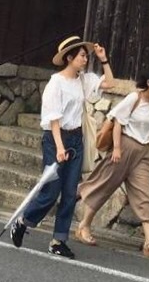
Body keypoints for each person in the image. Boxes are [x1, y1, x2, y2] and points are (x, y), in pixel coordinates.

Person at [10, 35, 113, 258]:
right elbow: (53, 118)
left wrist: (104, 60)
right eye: (82, 55)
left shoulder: (83, 80)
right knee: (50, 191)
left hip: (76, 138)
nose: (86, 59)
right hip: (55, 139)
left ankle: (58, 241)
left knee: (69, 193)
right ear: (70, 57)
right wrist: (58, 147)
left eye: (86, 55)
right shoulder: (55, 83)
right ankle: (24, 221)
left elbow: (109, 83)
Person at [74, 68, 149, 260]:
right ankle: (83, 225)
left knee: (144, 194)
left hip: (142, 153)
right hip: (124, 147)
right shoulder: (134, 98)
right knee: (104, 185)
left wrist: (147, 150)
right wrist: (116, 148)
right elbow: (117, 121)